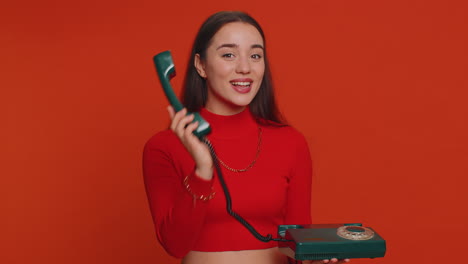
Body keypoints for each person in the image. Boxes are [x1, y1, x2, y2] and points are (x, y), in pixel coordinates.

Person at [143, 11, 350, 264]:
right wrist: (203, 171)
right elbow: (174, 244)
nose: (245, 68)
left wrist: (314, 260)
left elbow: (297, 243)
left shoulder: (291, 143)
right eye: (228, 54)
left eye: (255, 56)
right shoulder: (163, 147)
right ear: (201, 65)